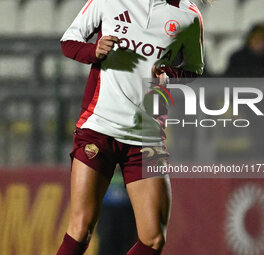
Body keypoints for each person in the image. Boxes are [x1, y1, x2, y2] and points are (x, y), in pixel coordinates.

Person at [56, 0, 204, 254]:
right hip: (99, 127)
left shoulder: (189, 16)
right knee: (81, 228)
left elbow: (194, 68)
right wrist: (94, 51)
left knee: (154, 239)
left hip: (147, 136)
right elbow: (69, 42)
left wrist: (171, 75)